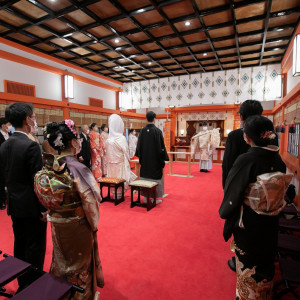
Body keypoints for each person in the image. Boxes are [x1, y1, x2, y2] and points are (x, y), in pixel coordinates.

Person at [219, 115, 288, 300]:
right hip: (271, 219)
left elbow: (232, 191)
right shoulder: (277, 157)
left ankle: (246, 296)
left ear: (248, 137)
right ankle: (264, 294)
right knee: (265, 259)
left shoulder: (247, 159)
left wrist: (226, 211)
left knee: (249, 262)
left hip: (250, 220)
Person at [34, 119, 104, 300]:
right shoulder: (78, 168)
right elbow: (92, 201)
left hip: (57, 222)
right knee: (79, 263)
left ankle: (61, 294)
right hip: (77, 225)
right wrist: (93, 223)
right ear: (73, 142)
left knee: (61, 260)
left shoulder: (49, 165)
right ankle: (80, 296)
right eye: (78, 139)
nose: (80, 142)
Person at [0, 102, 47, 291]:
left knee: (19, 243)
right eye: (33, 116)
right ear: (27, 119)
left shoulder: (4, 145)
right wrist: (44, 209)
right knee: (35, 247)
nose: (34, 119)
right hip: (32, 207)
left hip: (15, 204)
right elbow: (38, 183)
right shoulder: (30, 146)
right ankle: (32, 285)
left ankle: (21, 281)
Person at [222, 100, 263, 272]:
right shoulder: (269, 135)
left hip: (242, 191)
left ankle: (241, 260)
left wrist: (227, 190)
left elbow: (228, 166)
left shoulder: (236, 136)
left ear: (242, 117)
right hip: (264, 195)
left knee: (241, 225)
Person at [135, 111, 169, 203]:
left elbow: (139, 147)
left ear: (146, 119)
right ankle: (154, 198)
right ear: (155, 119)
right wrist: (163, 158)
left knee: (145, 176)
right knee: (155, 177)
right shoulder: (157, 131)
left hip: (145, 160)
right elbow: (161, 147)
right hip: (155, 161)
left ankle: (146, 197)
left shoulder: (142, 131)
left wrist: (141, 157)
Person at [105, 114, 136, 199]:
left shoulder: (108, 139)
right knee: (120, 177)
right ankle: (119, 193)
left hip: (111, 165)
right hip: (120, 165)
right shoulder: (121, 138)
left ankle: (115, 194)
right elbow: (126, 152)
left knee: (113, 176)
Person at [0, 117, 12, 209]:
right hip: (1, 162)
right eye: (9, 124)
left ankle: (10, 199)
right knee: (1, 182)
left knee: (10, 180)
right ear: (3, 126)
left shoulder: (11, 135)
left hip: (11, 162)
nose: (10, 126)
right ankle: (2, 201)